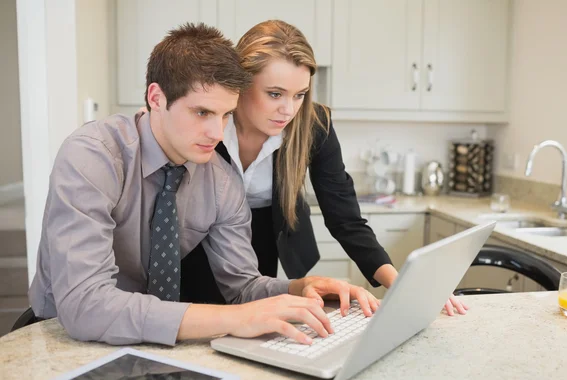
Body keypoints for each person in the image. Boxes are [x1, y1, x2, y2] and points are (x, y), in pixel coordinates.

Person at [28, 22, 380, 347]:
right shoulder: (94, 157)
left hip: (147, 347)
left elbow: (243, 287)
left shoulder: (220, 180)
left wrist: (297, 287)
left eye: (225, 115)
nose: (216, 134)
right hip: (58, 339)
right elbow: (84, 305)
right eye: (202, 112)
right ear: (156, 98)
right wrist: (234, 318)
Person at [180, 20, 467, 316]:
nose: (289, 110)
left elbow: (346, 219)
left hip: (265, 238)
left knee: (249, 314)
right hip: (196, 238)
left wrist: (401, 284)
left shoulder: (314, 126)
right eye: (275, 94)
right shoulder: (208, 124)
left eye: (300, 94)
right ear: (240, 82)